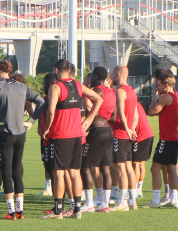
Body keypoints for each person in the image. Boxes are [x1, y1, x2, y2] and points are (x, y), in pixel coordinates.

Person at [41, 59, 103, 219]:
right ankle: (77, 210)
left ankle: (58, 211)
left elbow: (50, 111)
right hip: (77, 136)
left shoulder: (55, 87)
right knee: (75, 172)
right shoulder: (78, 85)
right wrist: (89, 119)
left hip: (61, 134)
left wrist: (47, 128)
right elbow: (99, 99)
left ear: (56, 70)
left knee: (59, 173)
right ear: (69, 70)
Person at [0, 60, 45, 219]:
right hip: (21, 134)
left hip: (5, 133)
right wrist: (31, 121)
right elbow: (41, 101)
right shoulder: (22, 86)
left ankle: (11, 212)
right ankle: (19, 211)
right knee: (17, 172)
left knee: (7, 172)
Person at [147, 69, 178, 208]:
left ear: (166, 85)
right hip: (174, 138)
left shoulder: (166, 97)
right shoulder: (177, 97)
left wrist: (154, 98)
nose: (157, 87)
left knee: (155, 168)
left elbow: (152, 112)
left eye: (159, 85)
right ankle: (174, 200)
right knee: (171, 168)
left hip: (167, 139)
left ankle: (155, 200)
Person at [79, 67, 115, 213]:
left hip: (97, 132)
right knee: (105, 167)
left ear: (94, 77)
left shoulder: (97, 91)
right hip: (108, 131)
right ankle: (105, 204)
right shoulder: (112, 93)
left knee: (85, 165)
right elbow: (114, 117)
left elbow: (89, 107)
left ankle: (89, 203)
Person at [110, 65, 138, 211]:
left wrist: (127, 129)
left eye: (113, 74)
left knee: (120, 168)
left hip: (120, 134)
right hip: (127, 135)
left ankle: (123, 202)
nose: (111, 77)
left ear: (119, 74)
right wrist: (132, 129)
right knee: (128, 167)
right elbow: (135, 115)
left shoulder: (120, 91)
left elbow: (121, 114)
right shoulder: (132, 91)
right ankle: (132, 200)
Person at [132, 100, 155, 200]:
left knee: (135, 163)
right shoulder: (137, 104)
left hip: (140, 136)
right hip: (148, 134)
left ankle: (134, 190)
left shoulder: (131, 104)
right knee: (141, 163)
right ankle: (139, 189)